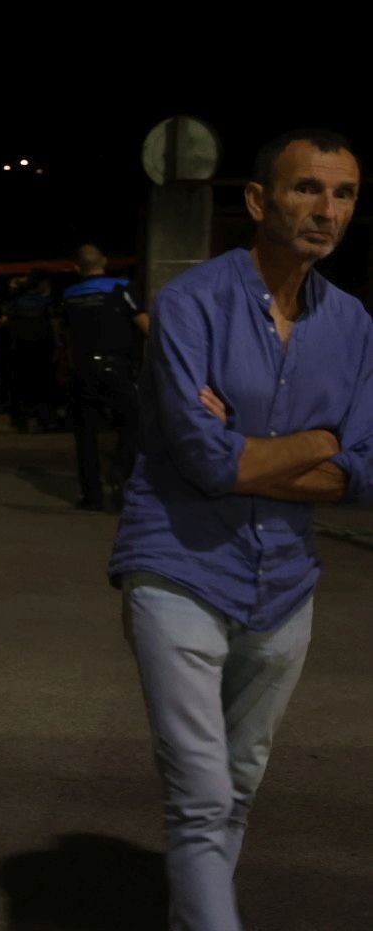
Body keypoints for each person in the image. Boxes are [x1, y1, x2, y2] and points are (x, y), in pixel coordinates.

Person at [110, 130, 373, 930]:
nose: (326, 211)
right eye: (306, 190)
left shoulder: (354, 325)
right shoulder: (193, 305)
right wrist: (320, 442)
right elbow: (201, 459)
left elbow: (364, 473)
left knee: (239, 787)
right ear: (259, 201)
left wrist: (258, 452)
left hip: (287, 586)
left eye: (345, 194)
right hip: (180, 569)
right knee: (201, 794)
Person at [59, 244, 148, 511]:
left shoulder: (69, 295)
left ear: (77, 267)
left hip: (82, 370)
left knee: (85, 435)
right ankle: (120, 470)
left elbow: (64, 335)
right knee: (134, 421)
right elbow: (145, 326)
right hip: (115, 368)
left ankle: (91, 495)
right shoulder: (121, 287)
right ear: (105, 261)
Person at [6, 272, 58, 433]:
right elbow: (54, 324)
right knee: (42, 385)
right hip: (42, 349)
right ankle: (46, 420)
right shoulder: (46, 303)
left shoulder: (15, 303)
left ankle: (24, 421)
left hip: (21, 350)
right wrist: (57, 344)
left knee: (23, 385)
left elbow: (9, 324)